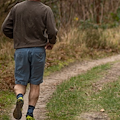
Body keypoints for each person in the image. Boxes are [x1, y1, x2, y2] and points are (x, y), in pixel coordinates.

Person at [1, 0, 57, 119]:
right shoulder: (45, 10)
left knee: (20, 82)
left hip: (21, 50)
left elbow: (5, 28)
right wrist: (51, 42)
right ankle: (30, 114)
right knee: (35, 84)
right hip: (38, 51)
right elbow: (52, 31)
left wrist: (16, 36)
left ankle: (20, 97)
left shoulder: (17, 8)